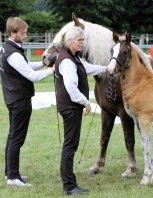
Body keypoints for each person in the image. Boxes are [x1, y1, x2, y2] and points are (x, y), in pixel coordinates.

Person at [55, 26, 114, 196]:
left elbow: (87, 68)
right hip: (70, 107)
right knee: (70, 145)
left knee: (70, 145)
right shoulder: (67, 60)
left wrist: (106, 68)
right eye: (80, 40)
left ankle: (69, 182)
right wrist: (86, 102)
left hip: (71, 107)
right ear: (70, 41)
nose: (83, 43)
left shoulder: (74, 57)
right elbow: (71, 88)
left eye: (83, 40)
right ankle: (69, 185)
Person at [0, 17, 55, 187]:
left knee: (13, 137)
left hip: (13, 98)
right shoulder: (13, 53)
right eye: (22, 33)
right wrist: (52, 70)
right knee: (17, 139)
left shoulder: (7, 48)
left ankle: (10, 173)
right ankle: (13, 178)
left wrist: (42, 63)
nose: (25, 36)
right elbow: (31, 76)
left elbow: (25, 65)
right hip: (19, 100)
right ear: (12, 33)